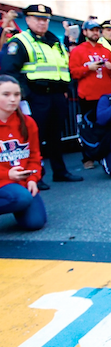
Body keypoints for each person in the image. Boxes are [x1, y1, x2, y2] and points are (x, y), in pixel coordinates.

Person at [0, 4, 84, 190]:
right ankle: (35, 176)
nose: (42, 22)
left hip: (56, 95)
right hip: (35, 96)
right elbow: (9, 71)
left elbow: (63, 67)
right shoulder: (19, 41)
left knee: (56, 136)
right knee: (33, 138)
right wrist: (25, 95)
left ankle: (60, 171)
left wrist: (65, 89)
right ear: (27, 20)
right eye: (37, 18)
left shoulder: (55, 42)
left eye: (45, 19)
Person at [69, 20, 111, 170]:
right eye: (92, 30)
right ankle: (88, 157)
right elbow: (73, 72)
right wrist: (88, 68)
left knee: (107, 126)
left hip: (105, 95)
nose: (95, 33)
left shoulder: (106, 50)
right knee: (88, 128)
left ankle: (106, 155)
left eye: (97, 30)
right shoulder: (78, 50)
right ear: (85, 32)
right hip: (88, 96)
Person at [0, 74, 46, 230]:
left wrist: (33, 178)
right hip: (3, 181)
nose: (13, 99)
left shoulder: (27, 122)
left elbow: (34, 155)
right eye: (6, 95)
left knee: (35, 222)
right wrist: (7, 175)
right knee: (22, 197)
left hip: (21, 182)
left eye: (16, 94)